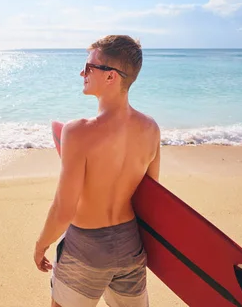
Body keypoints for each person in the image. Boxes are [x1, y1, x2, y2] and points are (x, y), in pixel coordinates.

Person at [33, 35, 161, 307]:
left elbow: (63, 209)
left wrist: (41, 244)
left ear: (111, 77)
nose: (83, 72)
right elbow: (151, 198)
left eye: (89, 67)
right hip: (130, 245)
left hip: (86, 247)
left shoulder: (79, 131)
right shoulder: (151, 129)